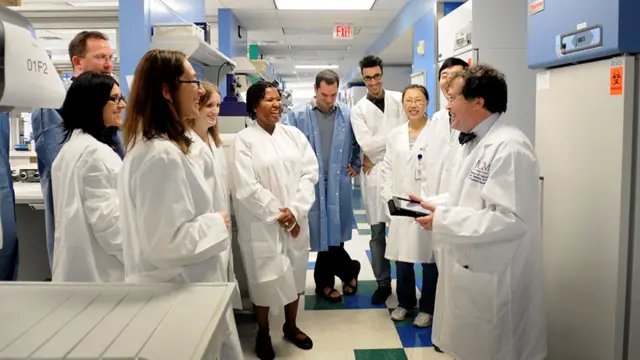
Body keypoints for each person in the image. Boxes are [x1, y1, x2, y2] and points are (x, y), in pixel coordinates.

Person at [410, 65, 547, 360]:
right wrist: (434, 204)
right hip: (470, 273)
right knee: (470, 345)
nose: (447, 105)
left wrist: (443, 220)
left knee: (494, 347)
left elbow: (510, 220)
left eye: (453, 97)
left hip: (496, 278)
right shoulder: (473, 141)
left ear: (478, 102)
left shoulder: (509, 147)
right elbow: (468, 197)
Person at [118, 49, 242, 359]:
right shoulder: (160, 155)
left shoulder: (163, 147)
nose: (200, 89)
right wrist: (218, 221)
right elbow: (165, 243)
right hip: (175, 294)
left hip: (186, 291)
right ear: (166, 91)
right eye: (192, 81)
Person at [233, 81, 319, 360]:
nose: (276, 105)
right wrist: (278, 213)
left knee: (295, 273)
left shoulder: (293, 135)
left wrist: (294, 212)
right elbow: (245, 186)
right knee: (263, 278)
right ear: (255, 105)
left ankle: (291, 327)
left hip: (295, 220)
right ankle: (263, 332)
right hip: (263, 223)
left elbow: (310, 174)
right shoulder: (244, 140)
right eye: (269, 100)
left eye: (278, 99)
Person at [31, 30, 119, 270]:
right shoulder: (51, 103)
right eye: (101, 57)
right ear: (77, 61)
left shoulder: (106, 104)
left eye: (111, 57)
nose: (108, 64)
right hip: (76, 218)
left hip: (108, 215)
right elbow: (66, 165)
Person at [281, 69, 362, 303]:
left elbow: (359, 143)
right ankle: (349, 271)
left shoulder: (347, 114)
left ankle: (324, 285)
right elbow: (286, 150)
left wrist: (355, 164)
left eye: (334, 95)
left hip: (339, 184)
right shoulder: (296, 117)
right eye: (324, 94)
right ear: (315, 89)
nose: (329, 100)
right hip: (311, 186)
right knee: (322, 237)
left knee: (336, 237)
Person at [51, 72, 125, 282]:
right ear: (93, 103)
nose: (122, 105)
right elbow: (110, 224)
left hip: (74, 270)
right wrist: (143, 254)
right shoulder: (96, 154)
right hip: (101, 274)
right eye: (115, 99)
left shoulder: (70, 150)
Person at [379, 85, 439, 328]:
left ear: (427, 102)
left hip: (427, 202)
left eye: (418, 100)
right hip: (401, 203)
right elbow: (387, 167)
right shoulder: (395, 134)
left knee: (429, 258)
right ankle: (405, 302)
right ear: (403, 104)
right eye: (408, 101)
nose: (413, 105)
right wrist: (388, 196)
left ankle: (428, 307)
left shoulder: (438, 132)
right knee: (402, 257)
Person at [350, 55, 407, 304]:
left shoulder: (399, 99)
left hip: (400, 172)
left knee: (404, 229)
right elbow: (367, 146)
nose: (373, 82)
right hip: (373, 176)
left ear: (382, 74)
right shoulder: (358, 110)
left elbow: (411, 132)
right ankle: (383, 283)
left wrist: (381, 148)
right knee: (377, 233)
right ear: (363, 79)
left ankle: (405, 285)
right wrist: (396, 137)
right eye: (368, 78)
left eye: (377, 76)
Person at [186, 81, 242, 310]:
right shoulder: (187, 146)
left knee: (221, 276)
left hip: (220, 223)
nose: (215, 111)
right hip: (202, 228)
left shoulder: (214, 142)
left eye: (218, 105)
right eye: (209, 105)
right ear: (194, 106)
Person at [430, 57, 469, 193]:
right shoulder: (437, 119)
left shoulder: (471, 120)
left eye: (455, 75)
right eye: (444, 76)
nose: (448, 81)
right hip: (436, 196)